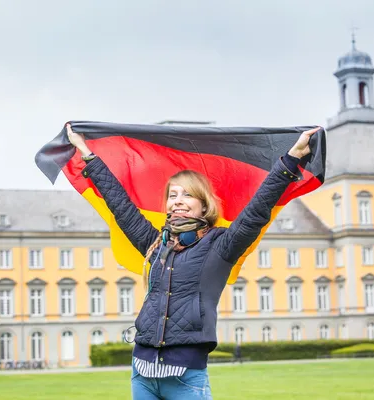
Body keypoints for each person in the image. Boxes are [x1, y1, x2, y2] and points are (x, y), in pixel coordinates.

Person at [67, 124, 319, 400]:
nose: (178, 201)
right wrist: (87, 154)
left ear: (204, 205)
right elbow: (121, 207)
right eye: (172, 195)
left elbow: (258, 208)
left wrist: (291, 159)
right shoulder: (155, 243)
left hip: (186, 377)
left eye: (187, 194)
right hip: (141, 373)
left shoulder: (221, 245)